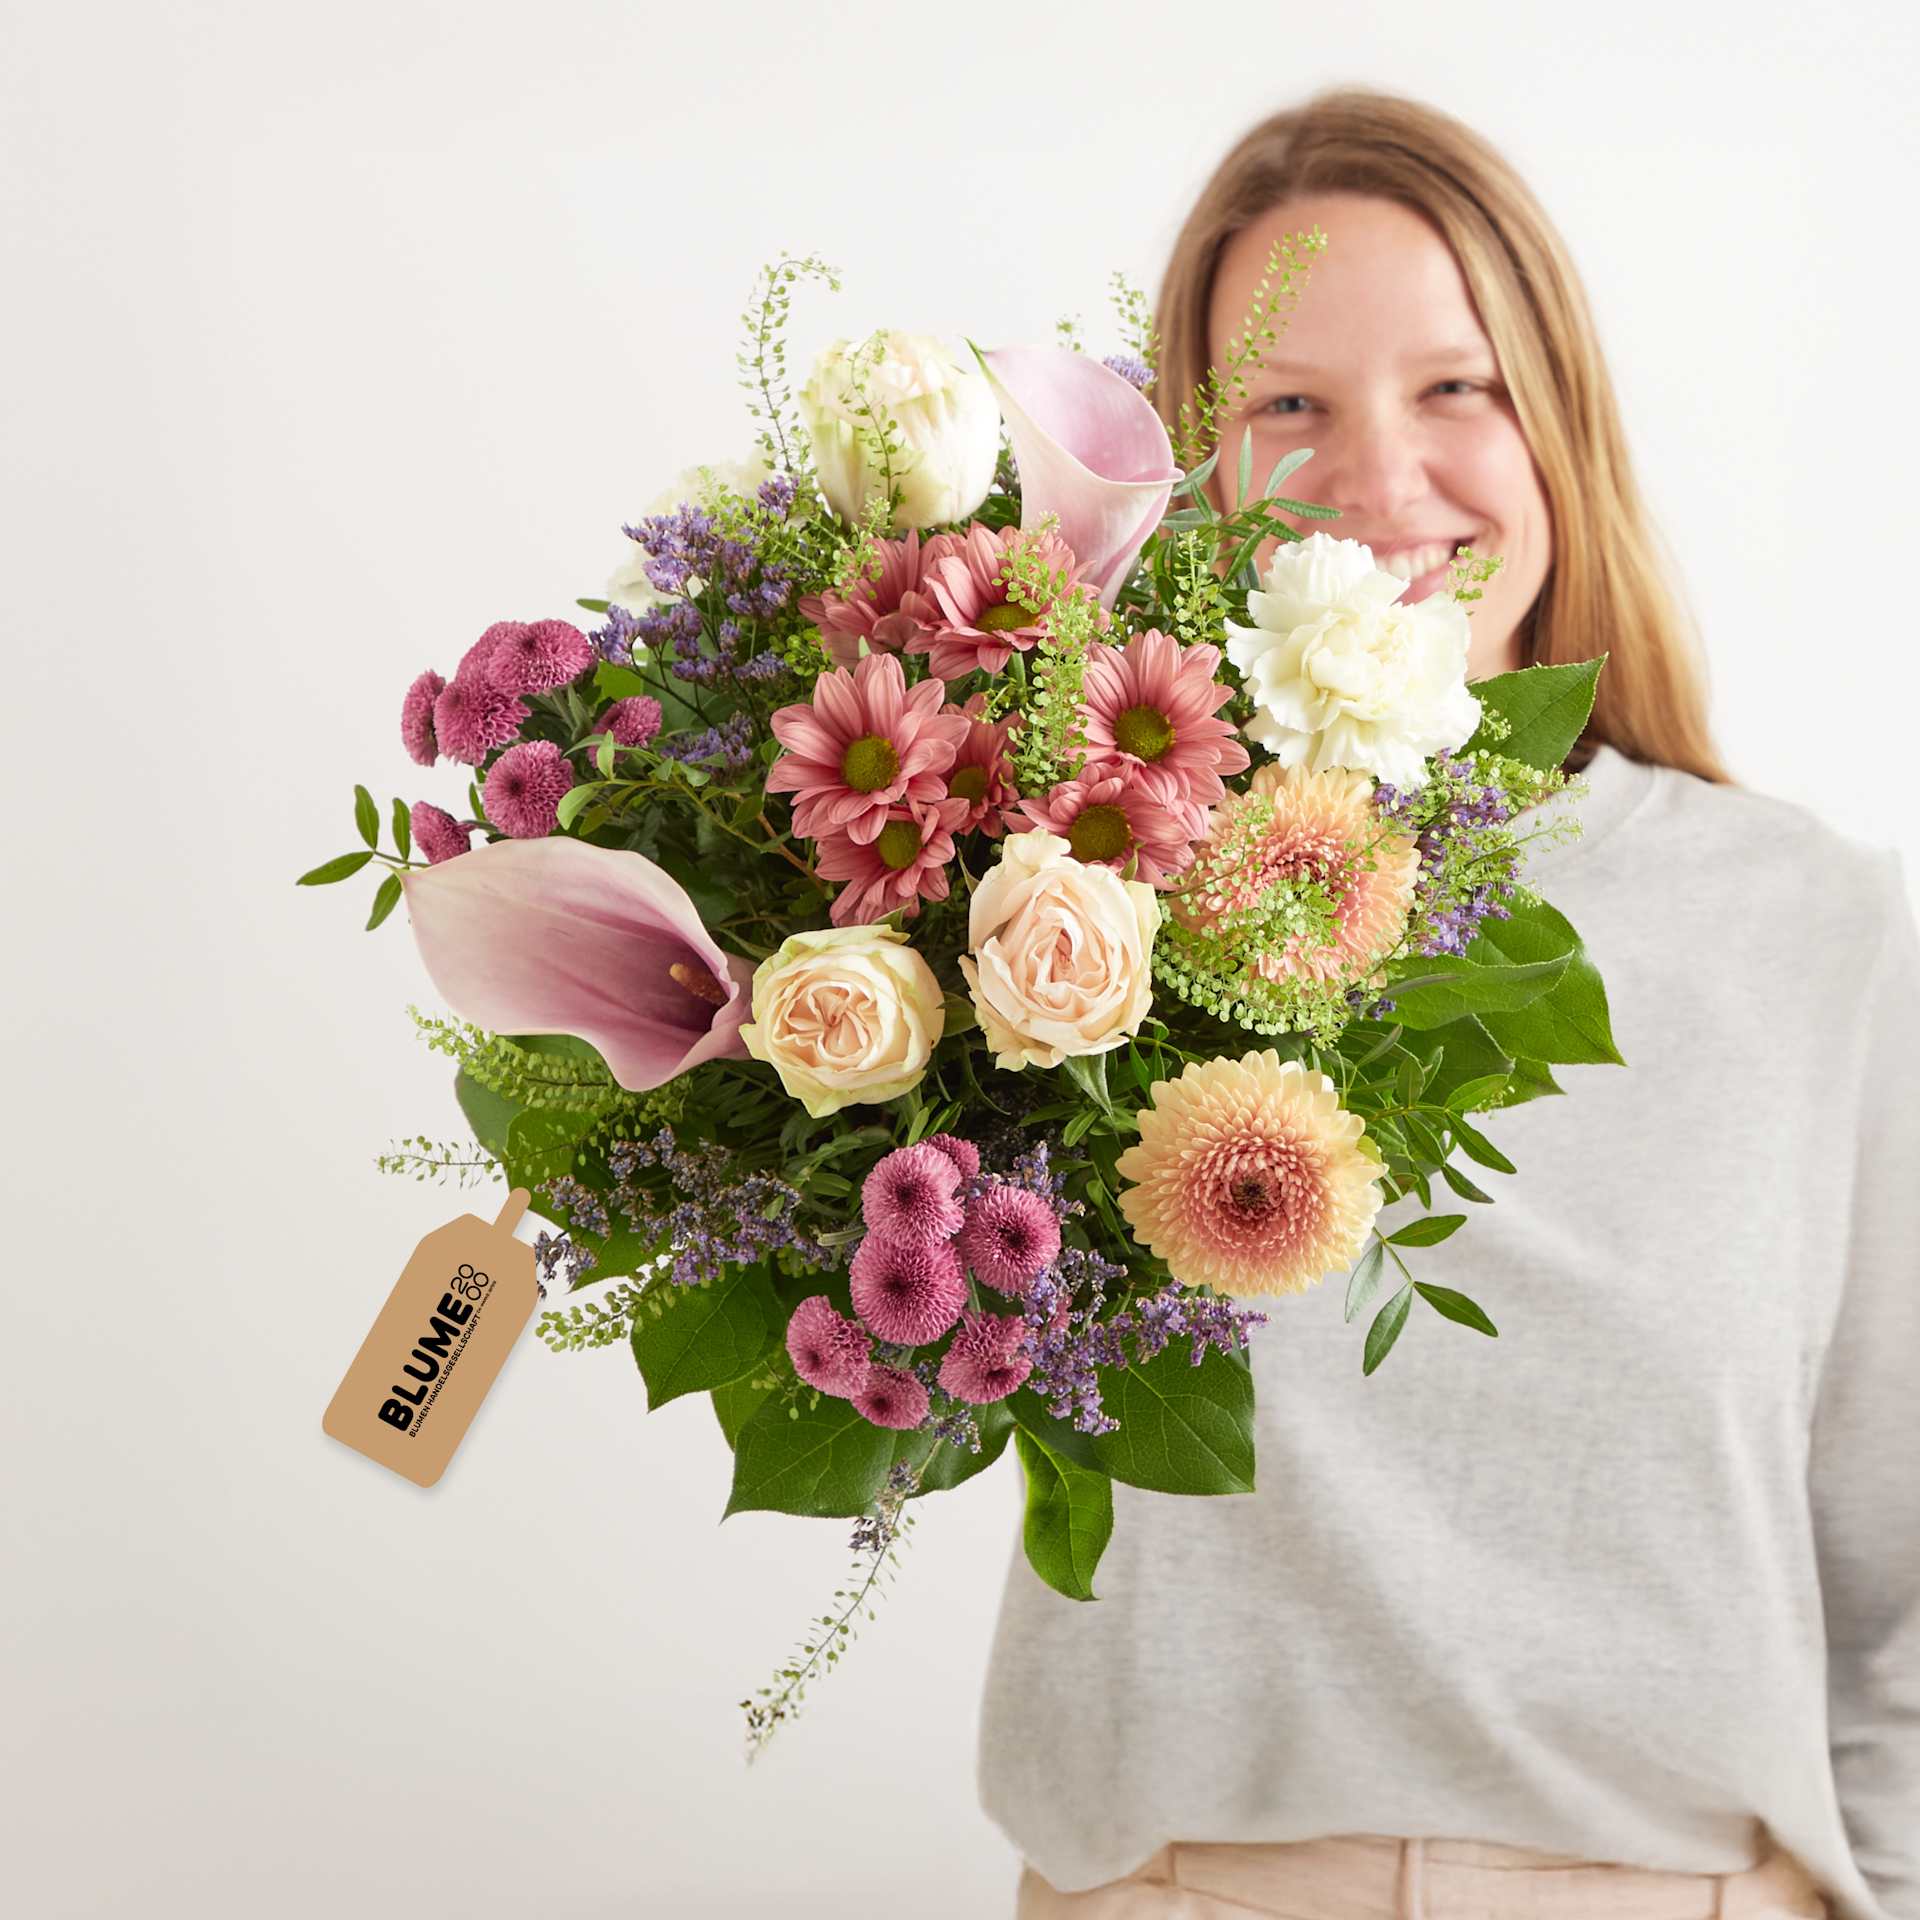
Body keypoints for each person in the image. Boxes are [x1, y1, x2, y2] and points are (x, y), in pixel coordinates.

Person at [977, 87, 1918, 1920]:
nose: (1382, 484)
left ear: (1557, 422)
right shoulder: (1051, 904)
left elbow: (1904, 1557)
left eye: (1455, 389)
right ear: (1192, 461)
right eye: (1288, 405)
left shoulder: (1813, 932)